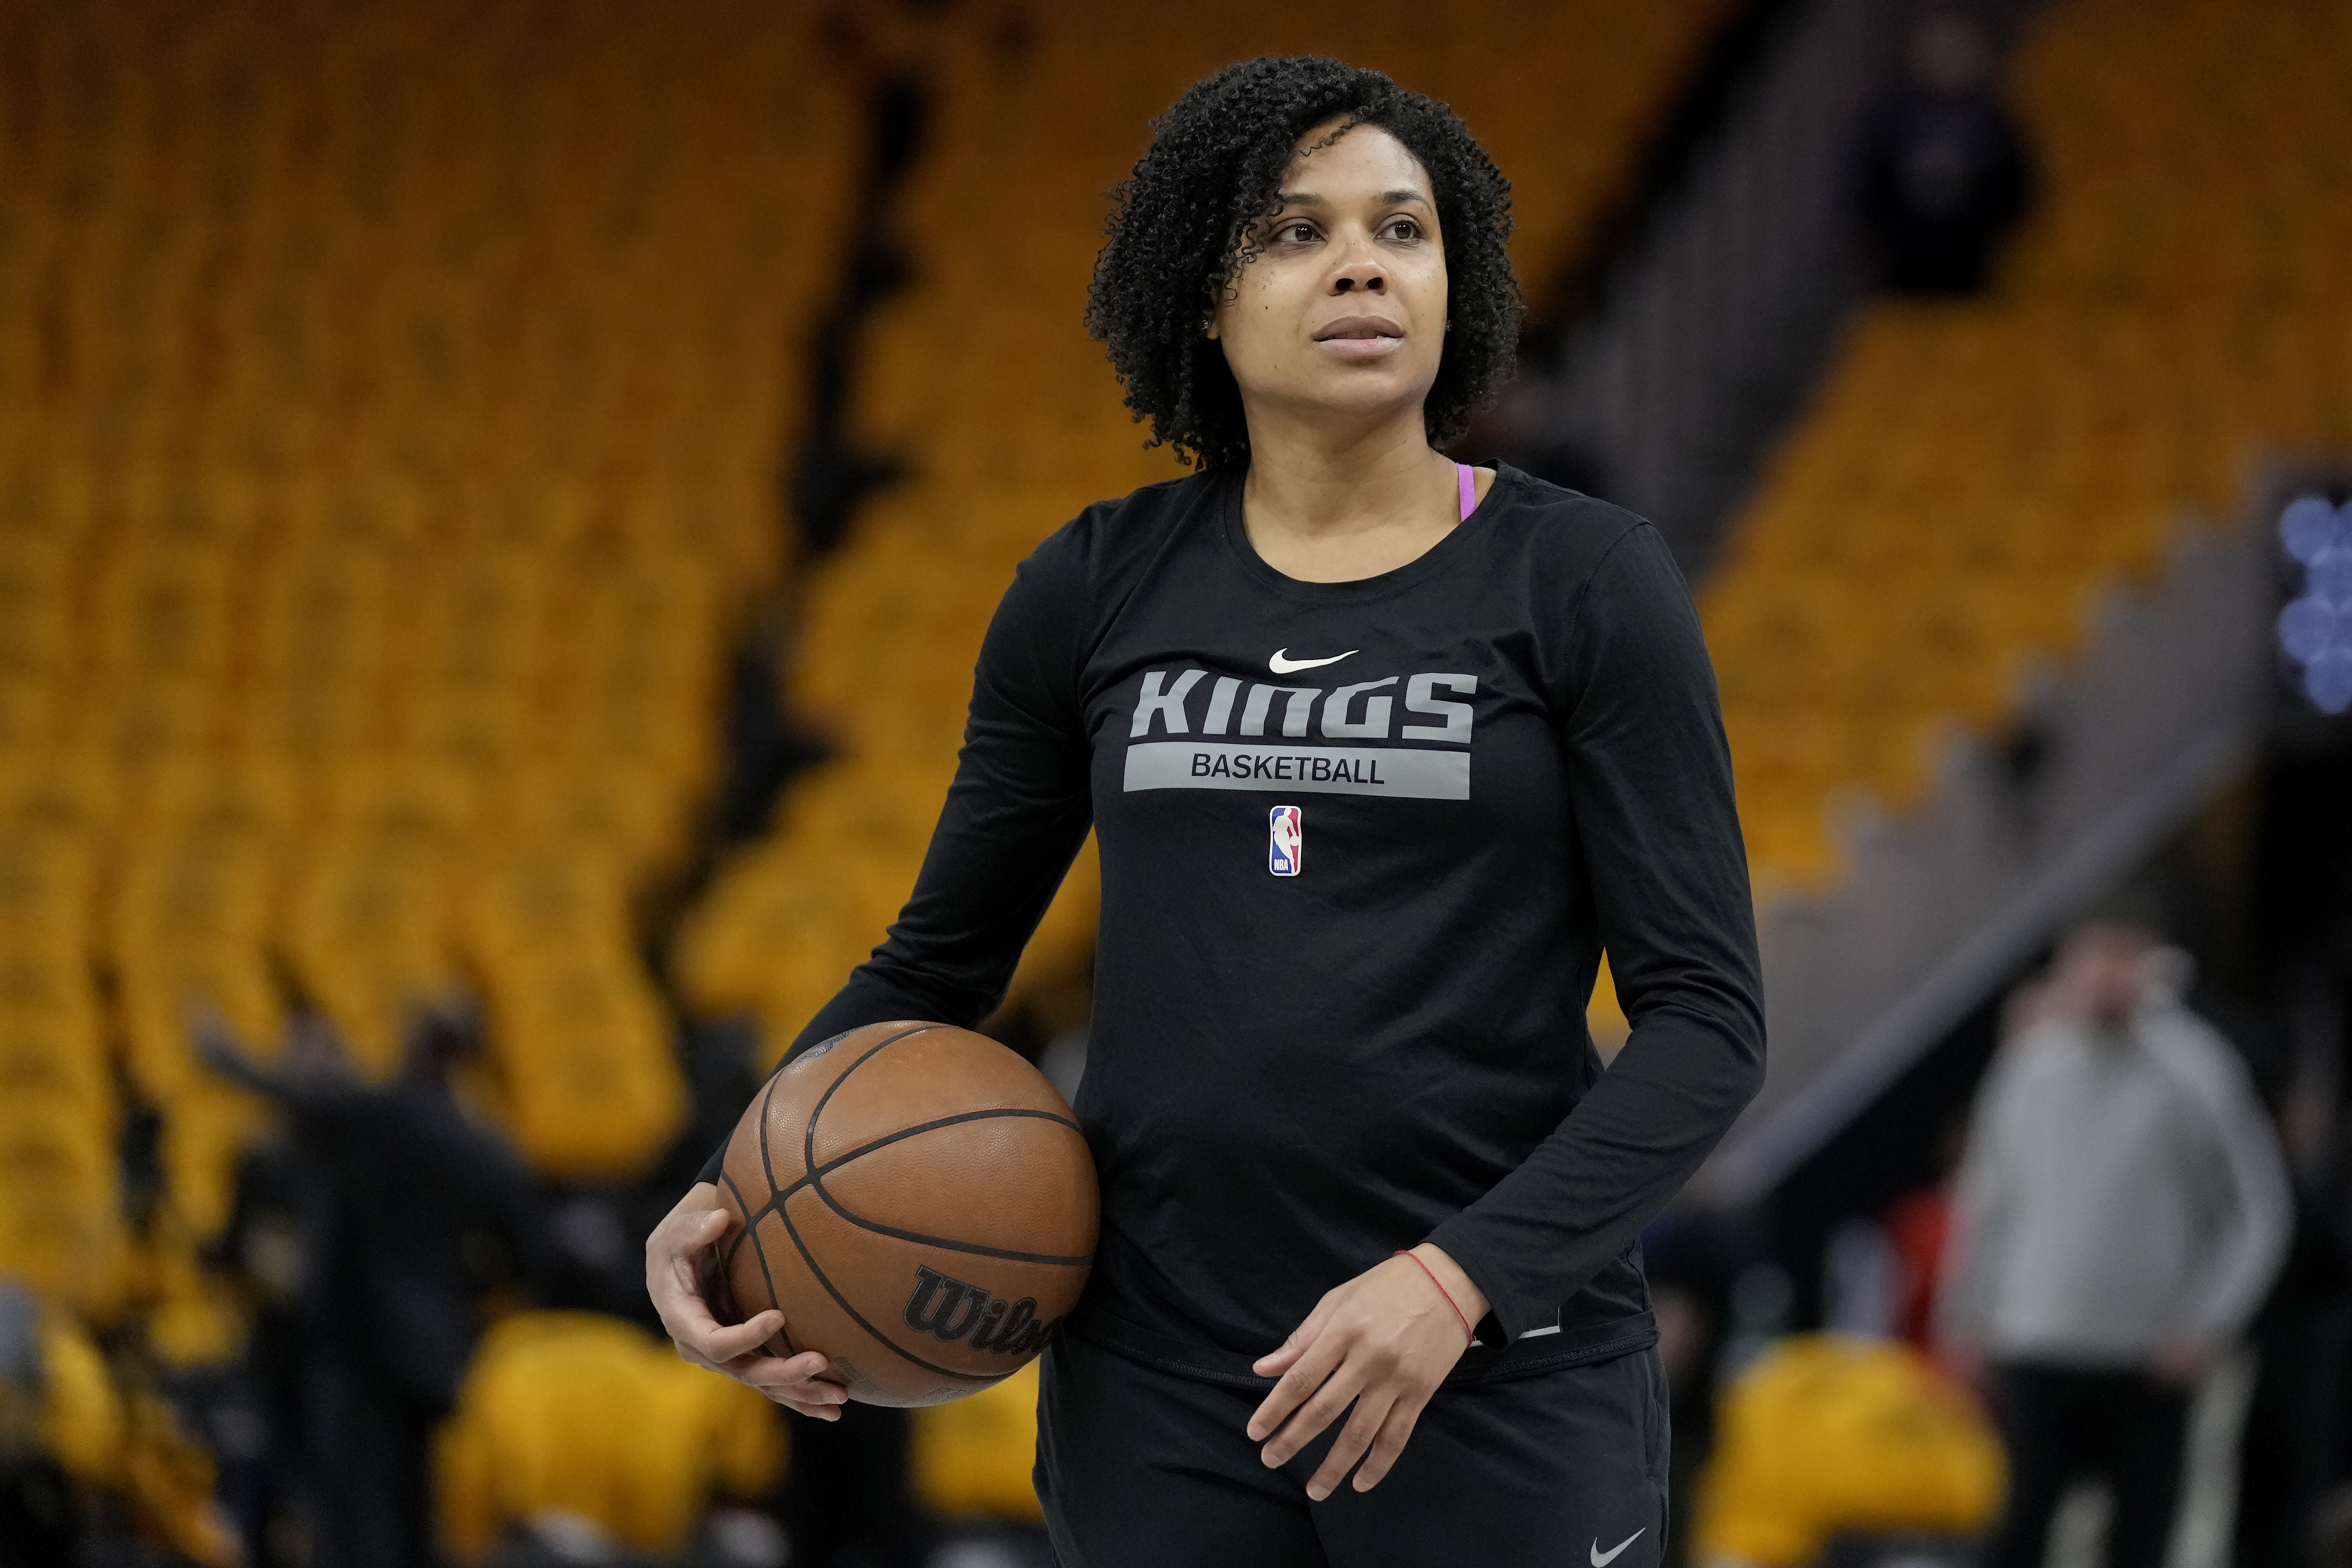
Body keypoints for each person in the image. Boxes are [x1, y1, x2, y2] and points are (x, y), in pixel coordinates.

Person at [647, 56, 1764, 1567]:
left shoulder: (1585, 580)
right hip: (1158, 1380)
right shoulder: (1093, 584)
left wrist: (1457, 1280)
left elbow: (1705, 1024)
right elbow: (935, 964)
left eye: (1403, 228)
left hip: (1493, 1367)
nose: (1362, 262)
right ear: (1202, 296)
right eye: (1297, 230)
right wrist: (733, 1192)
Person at [1937, 922, 2293, 1568]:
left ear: (2153, 968)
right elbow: (1986, 1200)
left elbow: (2260, 1211)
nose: (2106, 976)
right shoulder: (2030, 1065)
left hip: (2145, 1357)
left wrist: (2209, 1322)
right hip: (2036, 1341)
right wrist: (1962, 1314)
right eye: (2094, 958)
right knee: (2015, 1534)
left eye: (2123, 958)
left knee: (2140, 1539)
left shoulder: (2195, 1069)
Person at [193, 998, 551, 1568]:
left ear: (417, 1048)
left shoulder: (387, 1116)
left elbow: (298, 1098)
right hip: (437, 1358)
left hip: (364, 1355)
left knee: (358, 1519)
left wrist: (224, 1055)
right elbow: (526, 1248)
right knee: (416, 1512)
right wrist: (471, 1287)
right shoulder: (477, 1141)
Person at [1854, 8, 2034, 295]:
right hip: (1903, 270)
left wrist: (1990, 234)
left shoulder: (1989, 125)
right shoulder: (1895, 121)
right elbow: (1870, 188)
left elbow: (2015, 190)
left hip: (1971, 268)